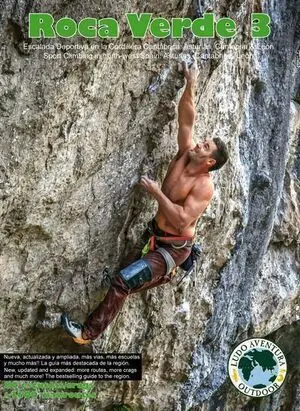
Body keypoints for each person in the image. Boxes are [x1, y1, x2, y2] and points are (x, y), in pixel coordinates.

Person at [61, 60, 229, 344]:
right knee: (121, 279)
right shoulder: (185, 154)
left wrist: (156, 193)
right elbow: (186, 118)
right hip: (155, 236)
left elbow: (180, 220)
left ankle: (88, 334)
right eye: (204, 141)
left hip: (173, 251)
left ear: (209, 161)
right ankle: (151, 279)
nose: (200, 143)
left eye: (206, 146)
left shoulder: (204, 187)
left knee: (123, 281)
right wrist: (191, 84)